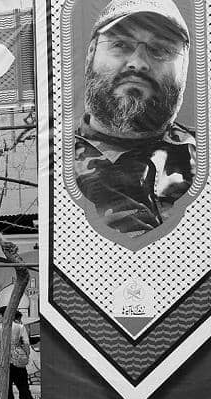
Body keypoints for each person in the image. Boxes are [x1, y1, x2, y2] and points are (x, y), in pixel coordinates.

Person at [74, 0, 194, 237]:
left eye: (160, 50)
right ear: (90, 55)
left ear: (184, 67)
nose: (138, 63)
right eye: (120, 44)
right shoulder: (56, 160)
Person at [0, 307, 36, 399]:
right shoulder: (20, 327)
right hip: (19, 361)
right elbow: (26, 344)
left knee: (5, 388)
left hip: (5, 363)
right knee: (23, 387)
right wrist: (26, 356)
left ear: (5, 315)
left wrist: (1, 360)